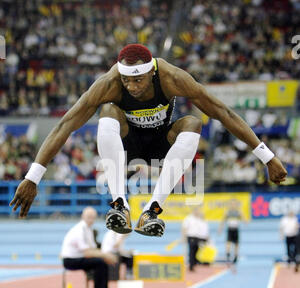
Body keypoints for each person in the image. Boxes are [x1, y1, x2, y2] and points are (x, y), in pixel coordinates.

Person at [10, 44, 287, 237]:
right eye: (127, 82)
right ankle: (120, 205)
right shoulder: (109, 83)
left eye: (139, 81)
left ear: (152, 71)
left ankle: (152, 211)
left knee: (193, 122)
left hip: (161, 146)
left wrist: (267, 156)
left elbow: (223, 112)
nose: (132, 87)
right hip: (126, 146)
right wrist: (33, 177)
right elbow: (65, 125)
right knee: (107, 111)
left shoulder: (172, 78)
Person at [60, 207, 120, 288]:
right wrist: (105, 255)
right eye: (88, 217)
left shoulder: (88, 230)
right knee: (100, 262)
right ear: (83, 216)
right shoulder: (79, 230)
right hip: (70, 260)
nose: (91, 220)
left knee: (102, 261)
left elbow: (93, 249)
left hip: (80, 257)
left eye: (93, 217)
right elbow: (87, 252)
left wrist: (105, 256)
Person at [218, 199, 247, 267]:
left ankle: (235, 257)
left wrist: (242, 214)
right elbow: (223, 221)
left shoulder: (238, 212)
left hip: (236, 229)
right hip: (230, 229)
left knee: (236, 244)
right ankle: (228, 256)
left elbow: (245, 221)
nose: (233, 205)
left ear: (236, 205)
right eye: (232, 204)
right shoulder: (227, 212)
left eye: (234, 204)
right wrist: (220, 229)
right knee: (228, 243)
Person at [182, 206, 210, 271]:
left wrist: (206, 238)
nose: (197, 212)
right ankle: (191, 265)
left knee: (196, 251)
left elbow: (204, 230)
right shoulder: (188, 218)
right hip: (191, 236)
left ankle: (194, 263)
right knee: (191, 251)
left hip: (199, 237)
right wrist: (184, 237)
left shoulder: (200, 219)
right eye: (196, 211)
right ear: (193, 211)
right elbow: (184, 228)